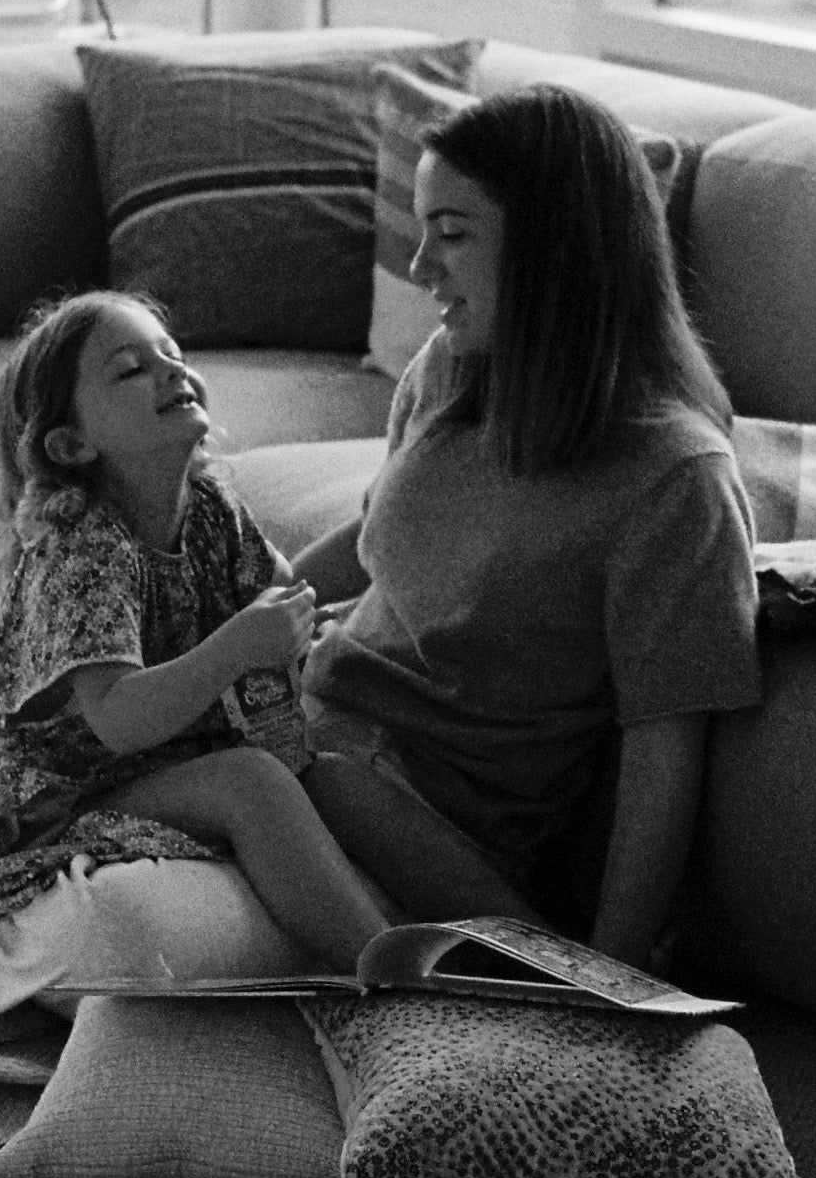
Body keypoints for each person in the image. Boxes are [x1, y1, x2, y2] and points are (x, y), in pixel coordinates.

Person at [297, 86, 762, 967]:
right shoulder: (450, 372)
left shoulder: (674, 479)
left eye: (455, 233)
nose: (420, 266)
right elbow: (370, 547)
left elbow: (663, 758)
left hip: (423, 819)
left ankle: (532, 967)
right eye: (422, 228)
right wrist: (214, 614)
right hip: (311, 735)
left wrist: (612, 975)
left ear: (555, 249)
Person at [0, 290, 392, 971]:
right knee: (251, 782)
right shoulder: (84, 548)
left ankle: (532, 946)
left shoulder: (212, 506)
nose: (170, 371)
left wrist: (325, 619)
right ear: (72, 443)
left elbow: (282, 595)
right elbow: (118, 720)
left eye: (173, 355)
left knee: (337, 777)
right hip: (61, 799)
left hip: (162, 761)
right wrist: (237, 647)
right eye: (130, 369)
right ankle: (396, 975)